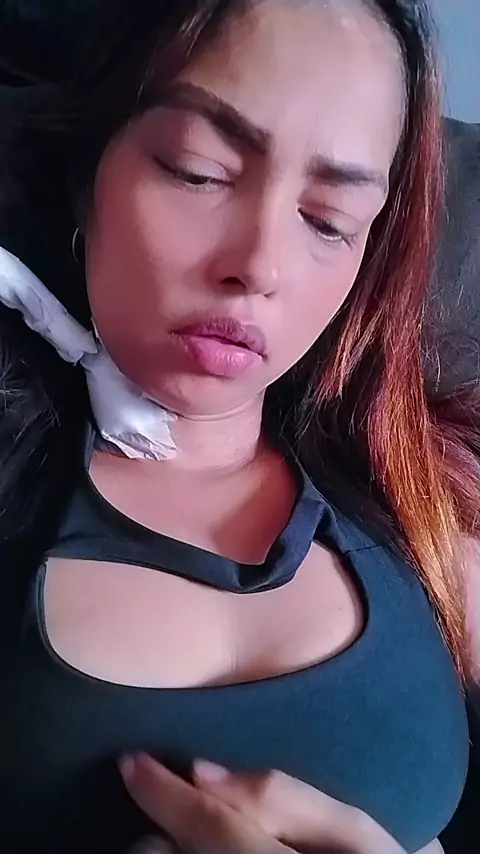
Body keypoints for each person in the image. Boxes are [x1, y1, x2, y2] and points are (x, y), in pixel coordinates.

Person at [0, 1, 478, 853]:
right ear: (89, 171)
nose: (258, 266)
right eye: (198, 172)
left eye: (328, 221)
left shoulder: (432, 509)